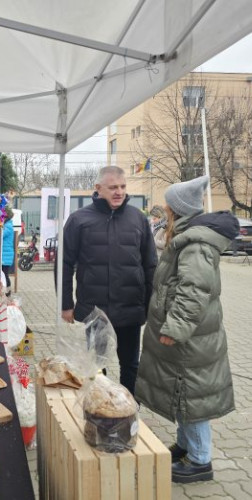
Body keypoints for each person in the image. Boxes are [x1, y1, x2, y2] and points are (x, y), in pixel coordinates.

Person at [135, 176, 237, 484]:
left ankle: (200, 460)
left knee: (190, 396)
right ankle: (185, 445)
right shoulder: (186, 235)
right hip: (189, 336)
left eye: (168, 204)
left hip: (191, 339)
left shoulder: (196, 244)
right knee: (180, 393)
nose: (164, 208)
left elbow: (194, 290)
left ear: (176, 209)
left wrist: (176, 327)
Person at [60, 166, 157, 395]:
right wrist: (65, 304)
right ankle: (100, 407)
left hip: (130, 309)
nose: (119, 192)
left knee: (131, 365)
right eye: (113, 187)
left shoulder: (138, 219)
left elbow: (150, 264)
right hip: (95, 311)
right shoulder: (78, 220)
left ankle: (130, 408)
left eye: (122, 186)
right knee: (97, 367)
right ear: (98, 188)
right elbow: (64, 264)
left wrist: (150, 305)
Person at [2, 207, 15, 295]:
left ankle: (8, 292)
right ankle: (7, 291)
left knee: (5, 274)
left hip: (6, 255)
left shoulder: (8, 226)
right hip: (5, 254)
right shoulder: (7, 225)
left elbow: (1, 234)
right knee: (4, 274)